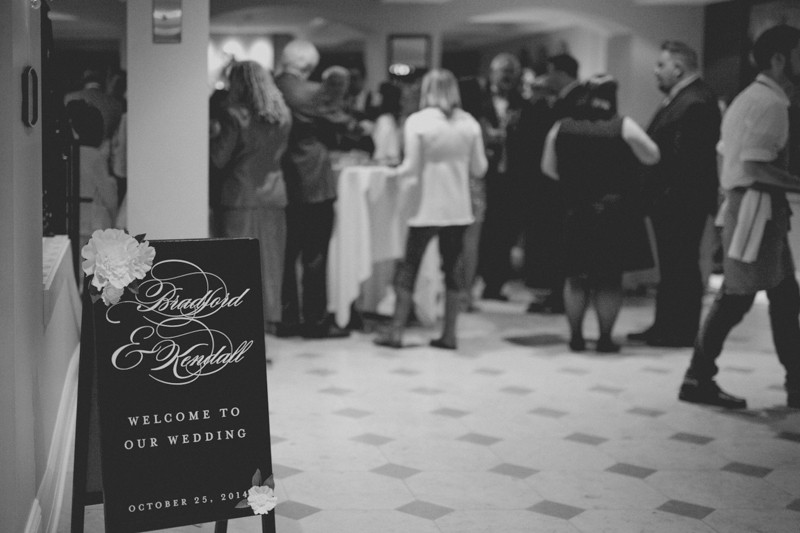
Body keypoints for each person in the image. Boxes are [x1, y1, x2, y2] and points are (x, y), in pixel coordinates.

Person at [678, 25, 800, 410]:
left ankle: (795, 383)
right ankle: (697, 376)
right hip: (756, 213)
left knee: (781, 298)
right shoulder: (772, 104)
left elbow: (723, 154)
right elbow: (755, 164)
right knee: (735, 298)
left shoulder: (748, 97)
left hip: (749, 210)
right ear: (780, 59)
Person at [541, 75, 660, 353]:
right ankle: (605, 339)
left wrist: (573, 180)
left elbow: (548, 168)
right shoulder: (623, 125)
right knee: (609, 278)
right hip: (613, 213)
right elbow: (652, 155)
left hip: (576, 209)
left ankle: (576, 337)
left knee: (575, 276)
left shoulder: (562, 127)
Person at [374, 69, 488, 349]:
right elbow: (480, 167)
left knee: (409, 264)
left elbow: (411, 167)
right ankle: (450, 333)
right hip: (458, 207)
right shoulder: (469, 123)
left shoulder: (418, 121)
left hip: (425, 205)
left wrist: (391, 173)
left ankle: (396, 330)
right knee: (453, 267)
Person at [627, 41, 722, 347]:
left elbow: (689, 161)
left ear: (678, 68)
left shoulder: (696, 101)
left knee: (681, 266)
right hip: (671, 201)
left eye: (660, 65)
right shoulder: (680, 98)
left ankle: (680, 331)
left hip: (682, 202)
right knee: (671, 267)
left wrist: (664, 193)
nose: (656, 71)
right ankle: (664, 325)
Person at [275, 39, 350, 339]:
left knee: (287, 252)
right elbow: (341, 116)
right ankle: (315, 321)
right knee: (315, 253)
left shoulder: (274, 85)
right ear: (307, 66)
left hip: (284, 177)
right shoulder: (304, 92)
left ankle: (287, 315)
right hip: (312, 178)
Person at [210, 60, 292, 333]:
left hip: (239, 197)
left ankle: (239, 332)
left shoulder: (233, 115)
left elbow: (219, 159)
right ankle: (265, 331)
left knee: (237, 269)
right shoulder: (282, 115)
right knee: (270, 267)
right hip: (274, 197)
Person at [476, 53, 543, 302]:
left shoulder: (525, 104)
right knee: (484, 231)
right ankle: (478, 278)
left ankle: (495, 283)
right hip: (486, 175)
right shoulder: (479, 101)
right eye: (503, 71)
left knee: (506, 231)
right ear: (493, 73)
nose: (507, 76)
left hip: (513, 179)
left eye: (511, 72)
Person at [526, 53, 589, 314]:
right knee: (553, 240)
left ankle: (560, 295)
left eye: (550, 72)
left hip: (565, 183)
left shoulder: (578, 100)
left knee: (561, 240)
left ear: (561, 73)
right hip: (556, 182)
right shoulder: (564, 98)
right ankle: (554, 291)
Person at [370, 81, 403, 165]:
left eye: (378, 93)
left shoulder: (384, 120)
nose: (375, 96)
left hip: (385, 167)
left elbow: (380, 154)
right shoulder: (390, 118)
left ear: (384, 97)